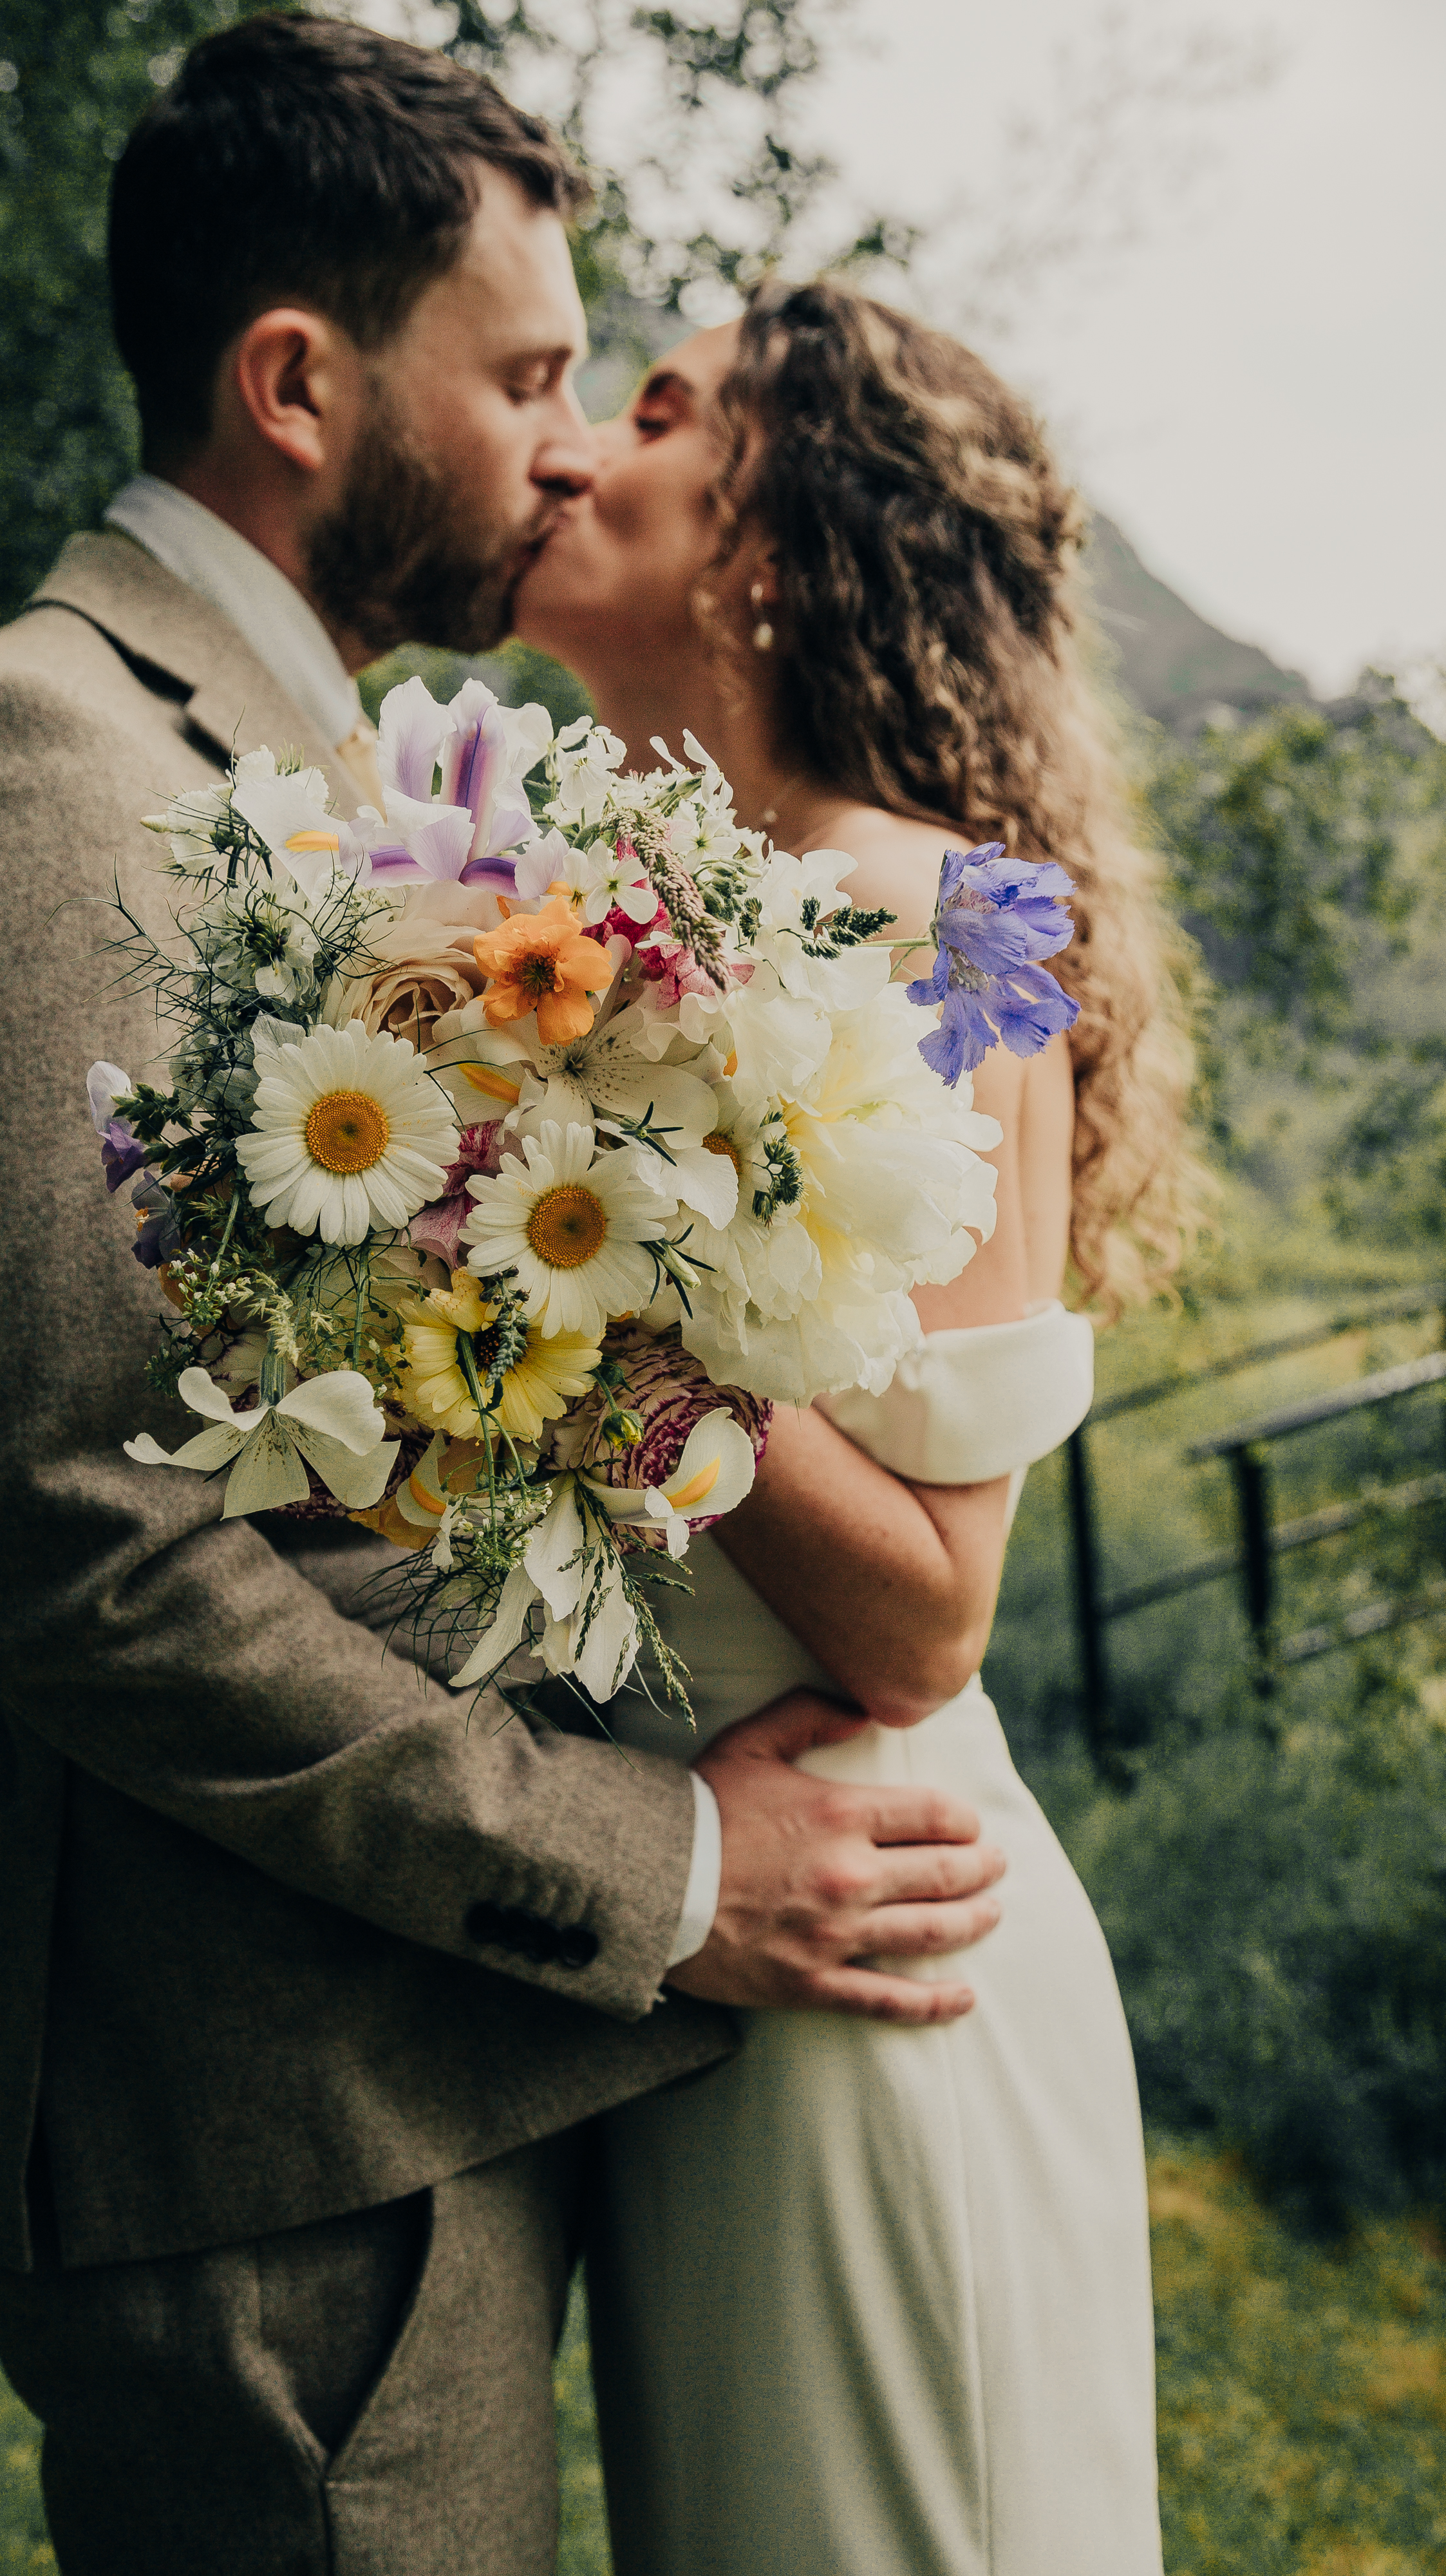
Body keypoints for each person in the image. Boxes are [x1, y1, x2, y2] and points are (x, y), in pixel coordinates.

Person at [0, 28, 1008, 2576]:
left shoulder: (339, 781)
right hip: (273, 2127)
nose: (569, 445)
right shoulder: (30, 758)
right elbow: (77, 1533)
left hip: (421, 2074)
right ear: (293, 383)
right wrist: (657, 1871)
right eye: (535, 374)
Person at [516, 279, 1207, 2574]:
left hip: (884, 1943)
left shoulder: (973, 921)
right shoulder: (567, 928)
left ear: (775, 538)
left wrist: (546, 1289)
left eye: (656, 409)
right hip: (717, 1943)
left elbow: (926, 1616)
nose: (573, 452)